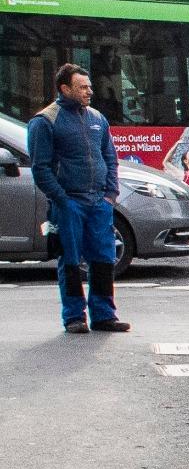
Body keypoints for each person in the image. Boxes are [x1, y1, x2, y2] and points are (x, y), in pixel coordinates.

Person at [27, 64, 129, 334]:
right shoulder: (45, 121)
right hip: (69, 203)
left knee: (104, 259)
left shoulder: (97, 118)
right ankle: (74, 316)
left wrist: (110, 195)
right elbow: (40, 168)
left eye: (89, 86)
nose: (89, 91)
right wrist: (61, 199)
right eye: (83, 87)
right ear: (65, 89)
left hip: (99, 202)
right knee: (70, 260)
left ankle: (104, 316)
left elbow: (109, 157)